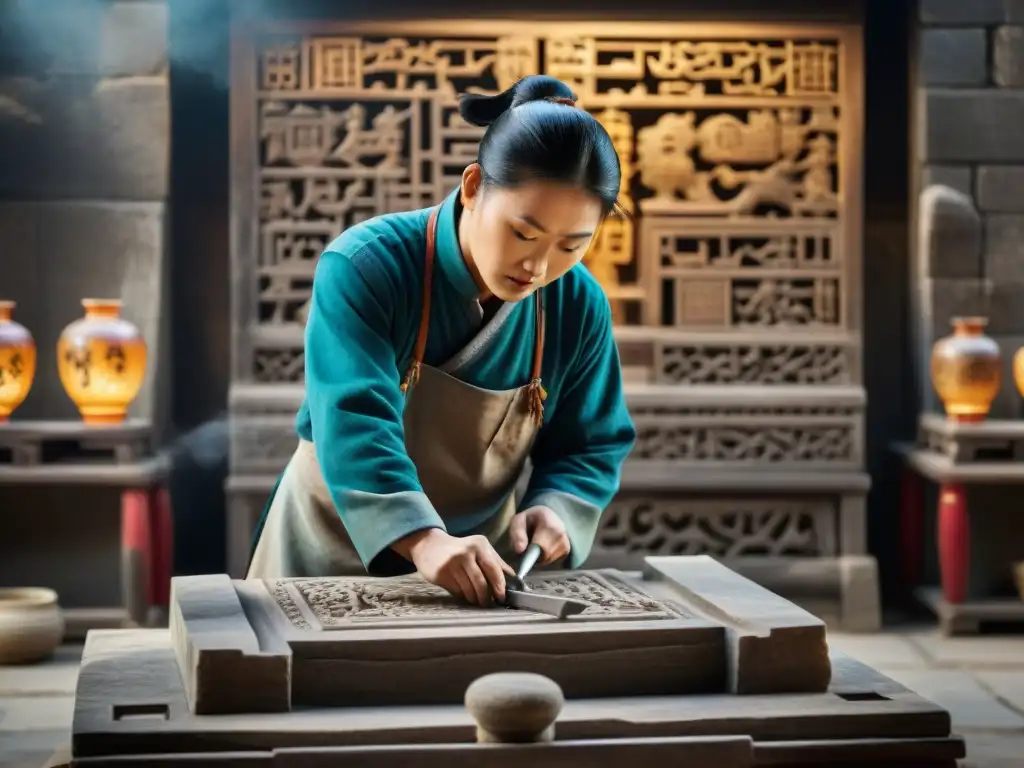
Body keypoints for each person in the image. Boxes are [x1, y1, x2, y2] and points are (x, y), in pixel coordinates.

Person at [247, 74, 637, 607]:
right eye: (523, 233)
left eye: (572, 245)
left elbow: (590, 443)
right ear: (474, 187)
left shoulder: (577, 302)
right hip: (332, 542)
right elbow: (355, 418)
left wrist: (559, 506)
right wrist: (423, 538)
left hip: (482, 565)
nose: (538, 266)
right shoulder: (366, 266)